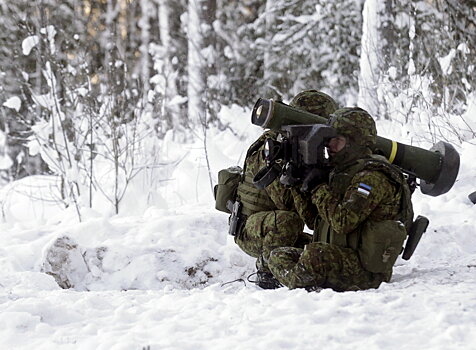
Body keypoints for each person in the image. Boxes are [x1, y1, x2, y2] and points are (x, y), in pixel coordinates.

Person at [267, 107, 414, 291]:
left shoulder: (372, 177)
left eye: (338, 140)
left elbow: (342, 222)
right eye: (330, 140)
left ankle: (300, 283)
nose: (330, 146)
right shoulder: (341, 171)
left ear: (356, 143)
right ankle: (301, 280)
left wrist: (318, 187)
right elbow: (315, 222)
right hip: (340, 254)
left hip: (366, 270)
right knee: (277, 254)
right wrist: (299, 185)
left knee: (314, 255)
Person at [233, 90, 338, 289]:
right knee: (286, 222)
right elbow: (288, 202)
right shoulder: (273, 148)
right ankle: (267, 270)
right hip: (253, 230)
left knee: (324, 250)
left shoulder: (299, 146)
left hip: (278, 226)